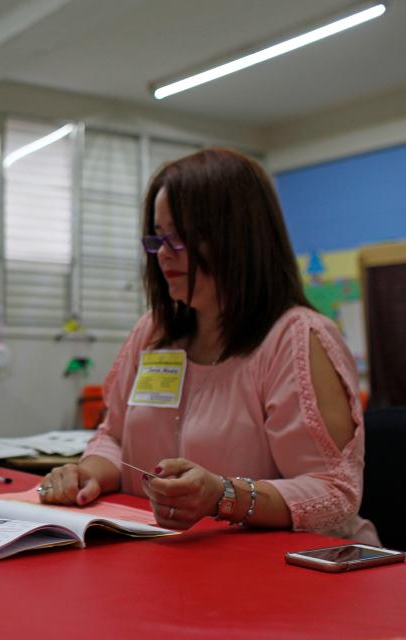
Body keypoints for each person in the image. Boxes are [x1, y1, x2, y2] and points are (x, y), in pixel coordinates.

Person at [38, 148, 378, 544]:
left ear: (237, 238)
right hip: (178, 559)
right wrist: (89, 473)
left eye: (180, 238)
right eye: (158, 238)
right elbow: (114, 437)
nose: (164, 254)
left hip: (301, 570)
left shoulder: (296, 338)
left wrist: (223, 496)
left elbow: (335, 494)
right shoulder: (154, 331)